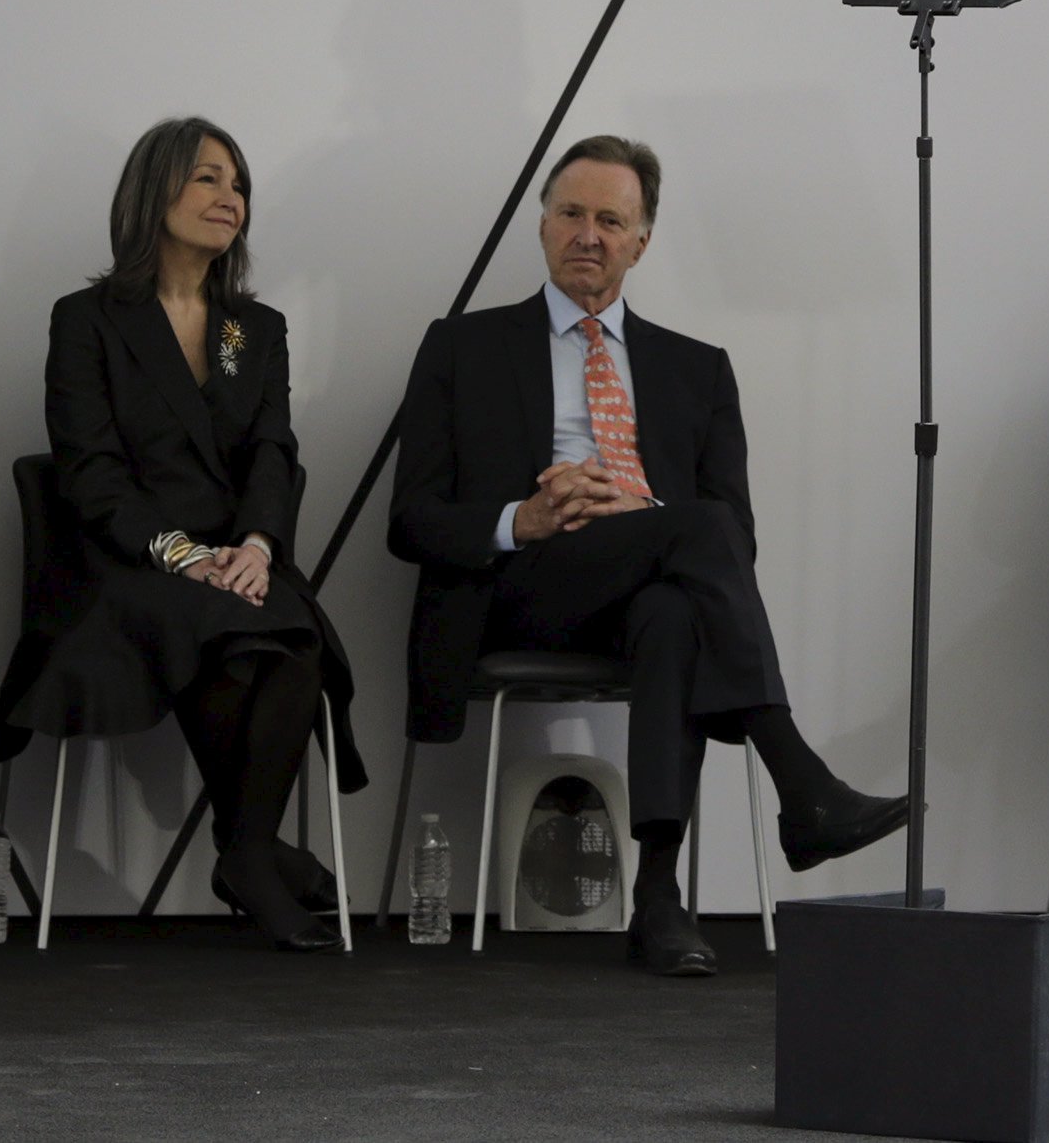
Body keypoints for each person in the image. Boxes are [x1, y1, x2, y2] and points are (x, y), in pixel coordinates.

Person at [388, 135, 910, 979]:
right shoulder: (460, 346)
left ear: (642, 239)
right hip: (523, 583)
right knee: (693, 531)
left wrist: (641, 513)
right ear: (542, 225)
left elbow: (735, 538)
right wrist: (523, 517)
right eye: (570, 213)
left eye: (609, 219)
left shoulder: (697, 370)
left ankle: (659, 897)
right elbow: (408, 520)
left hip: (648, 588)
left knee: (676, 603)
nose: (587, 233)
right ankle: (799, 778)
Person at [0, 119, 364, 951]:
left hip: (237, 556)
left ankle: (244, 852)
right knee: (229, 633)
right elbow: (88, 471)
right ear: (153, 192)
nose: (228, 197)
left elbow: (274, 450)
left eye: (237, 184)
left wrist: (259, 544)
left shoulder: (250, 329)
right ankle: (261, 854)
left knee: (292, 633)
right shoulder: (87, 318)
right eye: (207, 178)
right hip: (127, 562)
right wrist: (184, 555)